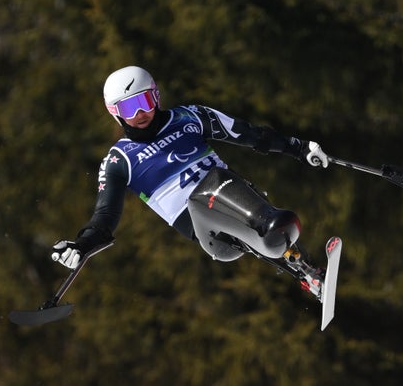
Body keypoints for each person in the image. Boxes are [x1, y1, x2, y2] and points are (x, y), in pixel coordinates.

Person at [52, 66, 332, 299]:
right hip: (207, 229)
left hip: (241, 203)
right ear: (115, 112)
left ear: (156, 97)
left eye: (145, 102)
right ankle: (274, 228)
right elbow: (105, 216)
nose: (140, 114)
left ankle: (310, 274)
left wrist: (300, 147)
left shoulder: (190, 116)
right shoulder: (120, 160)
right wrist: (81, 246)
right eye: (129, 107)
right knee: (211, 188)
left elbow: (248, 134)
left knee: (262, 226)